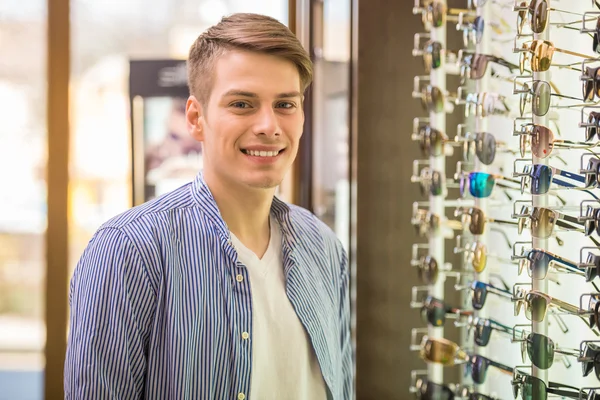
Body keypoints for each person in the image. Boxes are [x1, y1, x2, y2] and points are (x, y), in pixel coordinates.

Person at [64, 13, 353, 400]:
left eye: (285, 104)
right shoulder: (128, 251)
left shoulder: (324, 248)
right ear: (196, 119)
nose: (269, 125)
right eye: (242, 104)